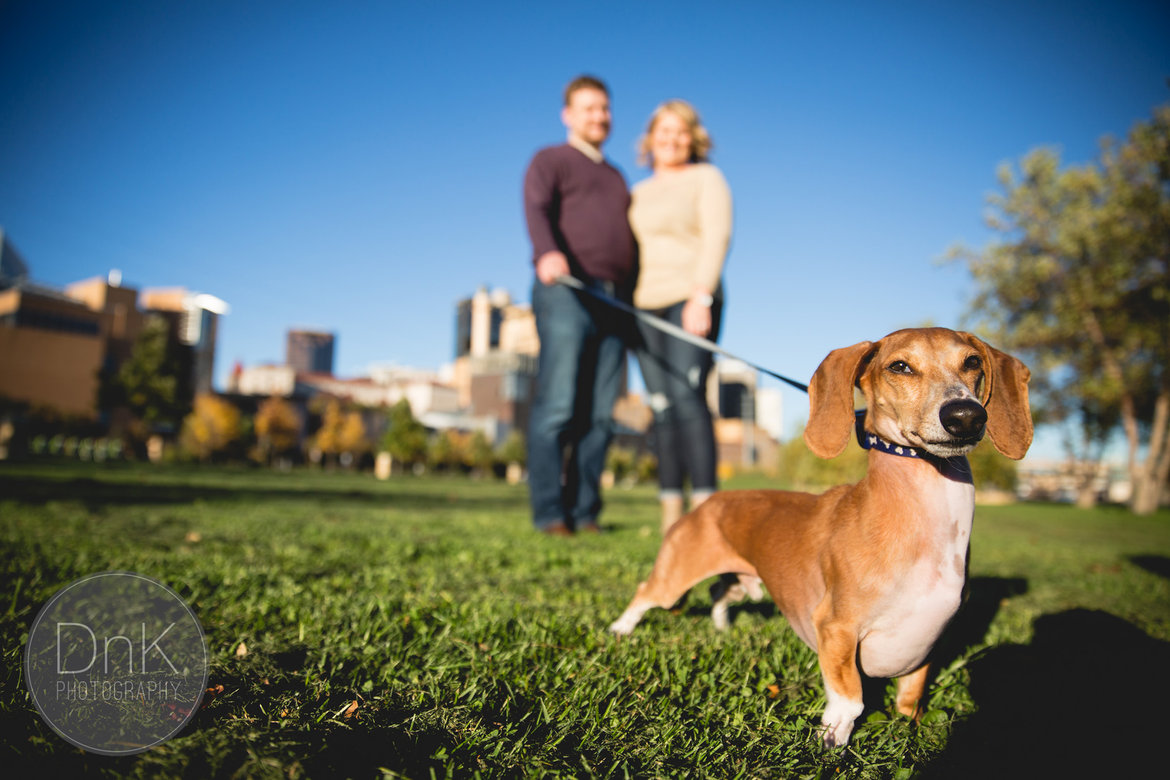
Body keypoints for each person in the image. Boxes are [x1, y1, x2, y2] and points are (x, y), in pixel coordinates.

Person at [522, 75, 637, 536]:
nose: (599, 116)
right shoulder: (550, 160)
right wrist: (546, 252)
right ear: (568, 115)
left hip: (614, 302)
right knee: (558, 404)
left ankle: (585, 511)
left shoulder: (615, 176)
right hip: (566, 289)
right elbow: (536, 208)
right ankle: (551, 514)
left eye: (605, 108)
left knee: (601, 413)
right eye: (589, 108)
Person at [628, 99, 733, 533]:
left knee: (689, 399)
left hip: (690, 298)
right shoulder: (636, 193)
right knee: (662, 406)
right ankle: (672, 518)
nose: (670, 138)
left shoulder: (706, 178)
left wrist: (701, 295)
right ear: (650, 139)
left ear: (693, 138)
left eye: (680, 131)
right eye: (663, 131)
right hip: (642, 304)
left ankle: (707, 517)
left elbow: (717, 236)